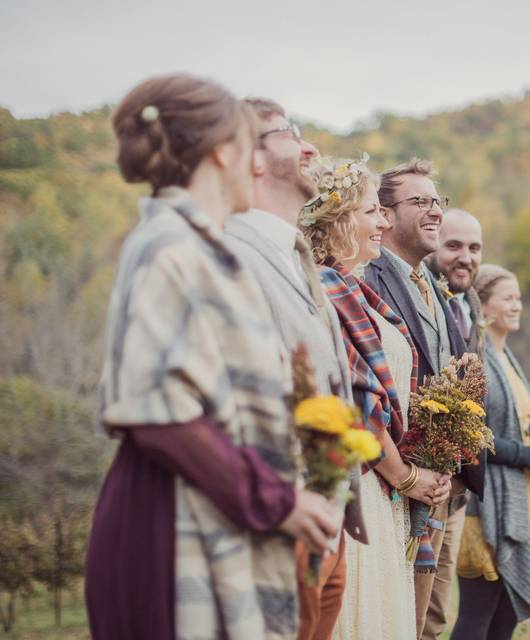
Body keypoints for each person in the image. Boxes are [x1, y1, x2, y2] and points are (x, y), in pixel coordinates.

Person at [85, 74, 340, 640]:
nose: (258, 166)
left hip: (210, 516)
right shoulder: (169, 247)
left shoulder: (200, 246)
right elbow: (160, 414)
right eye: (251, 147)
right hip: (168, 532)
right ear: (223, 153)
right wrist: (278, 500)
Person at [222, 98, 367, 640]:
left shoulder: (294, 253)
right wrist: (284, 502)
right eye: (290, 134)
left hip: (328, 522)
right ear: (251, 158)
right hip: (275, 529)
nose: (311, 148)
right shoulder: (228, 254)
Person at [300, 156, 451, 640]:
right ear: (339, 219)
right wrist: (407, 477)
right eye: (372, 211)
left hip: (382, 493)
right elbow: (359, 409)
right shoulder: (324, 291)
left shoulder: (357, 290)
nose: (384, 220)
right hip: (363, 483)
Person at [363, 159, 485, 639]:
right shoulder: (369, 279)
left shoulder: (431, 286)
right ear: (385, 215)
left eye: (438, 201)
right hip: (389, 481)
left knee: (420, 622)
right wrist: (408, 473)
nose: (435, 211)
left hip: (435, 483)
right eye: (420, 202)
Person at [451, 265, 530, 640]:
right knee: (477, 614)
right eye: (508, 298)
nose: (518, 306)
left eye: (519, 298)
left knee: (504, 617)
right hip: (485, 507)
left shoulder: (507, 359)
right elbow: (475, 435)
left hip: (517, 498)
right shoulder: (475, 360)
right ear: (482, 307)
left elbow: (519, 423)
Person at [423, 207, 485, 635]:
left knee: (439, 612)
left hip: (459, 485)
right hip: (424, 477)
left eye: (475, 247)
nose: (466, 257)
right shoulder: (424, 295)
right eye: (454, 246)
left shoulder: (472, 303)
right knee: (418, 609)